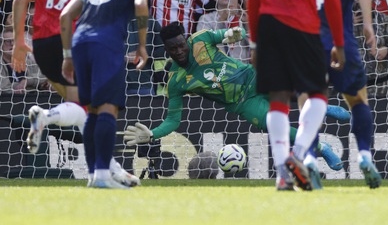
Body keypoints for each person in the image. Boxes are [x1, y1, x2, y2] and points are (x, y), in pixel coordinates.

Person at [122, 23, 347, 173]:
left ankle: (321, 107)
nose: (179, 51)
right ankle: (322, 147)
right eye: (173, 49)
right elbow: (173, 120)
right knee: (280, 129)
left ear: (186, 40)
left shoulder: (201, 40)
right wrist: (152, 134)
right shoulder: (176, 81)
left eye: (181, 45)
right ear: (167, 50)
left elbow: (229, 34)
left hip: (253, 77)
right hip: (244, 104)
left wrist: (233, 33)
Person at [11, 0, 139, 187]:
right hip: (74, 44)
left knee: (83, 109)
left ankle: (107, 171)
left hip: (43, 46)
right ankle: (47, 117)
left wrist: (18, 42)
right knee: (99, 109)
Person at [245, 0, 345, 191]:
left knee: (278, 98)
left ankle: (282, 170)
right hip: (304, 25)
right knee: (316, 95)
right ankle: (298, 154)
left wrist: (254, 41)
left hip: (270, 23)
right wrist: (338, 42)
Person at [59, 0, 152, 189]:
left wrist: (67, 56)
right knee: (108, 109)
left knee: (92, 111)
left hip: (80, 42)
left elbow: (65, 15)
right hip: (106, 43)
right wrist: (142, 45)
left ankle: (94, 175)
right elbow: (141, 5)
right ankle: (102, 176)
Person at [319, 0, 381, 189]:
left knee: (310, 103)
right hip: (343, 44)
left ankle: (309, 161)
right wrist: (367, 24)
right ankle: (365, 155)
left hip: (309, 47)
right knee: (358, 102)